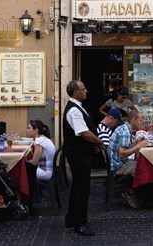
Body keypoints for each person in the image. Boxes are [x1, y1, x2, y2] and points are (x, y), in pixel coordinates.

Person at [63, 80, 103, 236]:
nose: (86, 91)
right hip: (79, 155)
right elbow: (84, 133)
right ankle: (80, 223)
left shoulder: (77, 107)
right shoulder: (74, 110)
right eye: (83, 89)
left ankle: (72, 218)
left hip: (79, 153)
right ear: (75, 92)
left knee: (77, 187)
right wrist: (99, 142)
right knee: (82, 189)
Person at [108, 110, 148, 208]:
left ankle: (133, 192)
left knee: (141, 164)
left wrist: (135, 143)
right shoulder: (125, 132)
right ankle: (135, 195)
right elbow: (122, 154)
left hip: (117, 161)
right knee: (142, 168)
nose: (142, 122)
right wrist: (138, 146)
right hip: (118, 165)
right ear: (134, 120)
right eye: (140, 120)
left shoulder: (124, 128)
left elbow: (126, 149)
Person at [25, 119, 56, 214]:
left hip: (45, 171)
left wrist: (25, 160)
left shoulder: (39, 141)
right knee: (26, 168)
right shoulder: (43, 138)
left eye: (29, 128)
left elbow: (34, 162)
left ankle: (27, 203)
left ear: (36, 131)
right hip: (48, 169)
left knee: (24, 171)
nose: (26, 130)